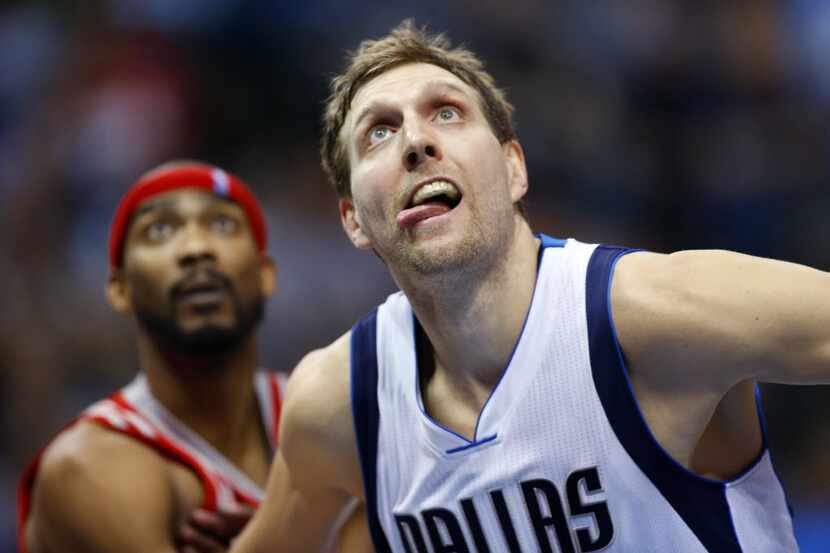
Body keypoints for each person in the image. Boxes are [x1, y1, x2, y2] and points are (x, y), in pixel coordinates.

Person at [231, 20, 825, 552]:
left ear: (514, 168)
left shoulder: (652, 316)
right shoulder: (339, 404)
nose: (415, 142)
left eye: (446, 112)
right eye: (379, 133)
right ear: (354, 220)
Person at [19, 162, 284, 553]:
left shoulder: (326, 407)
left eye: (223, 225)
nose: (197, 249)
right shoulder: (88, 466)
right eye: (159, 230)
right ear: (119, 289)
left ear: (265, 274)